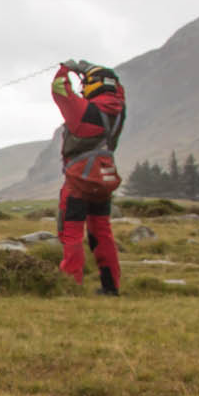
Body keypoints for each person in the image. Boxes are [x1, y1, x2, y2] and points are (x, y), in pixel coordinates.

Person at [52, 60, 127, 295]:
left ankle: (71, 285)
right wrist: (90, 70)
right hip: (102, 181)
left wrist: (65, 70)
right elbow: (118, 90)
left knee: (71, 233)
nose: (83, 89)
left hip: (78, 182)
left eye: (86, 85)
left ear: (94, 87)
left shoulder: (86, 112)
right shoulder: (119, 110)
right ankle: (111, 286)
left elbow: (59, 89)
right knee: (101, 232)